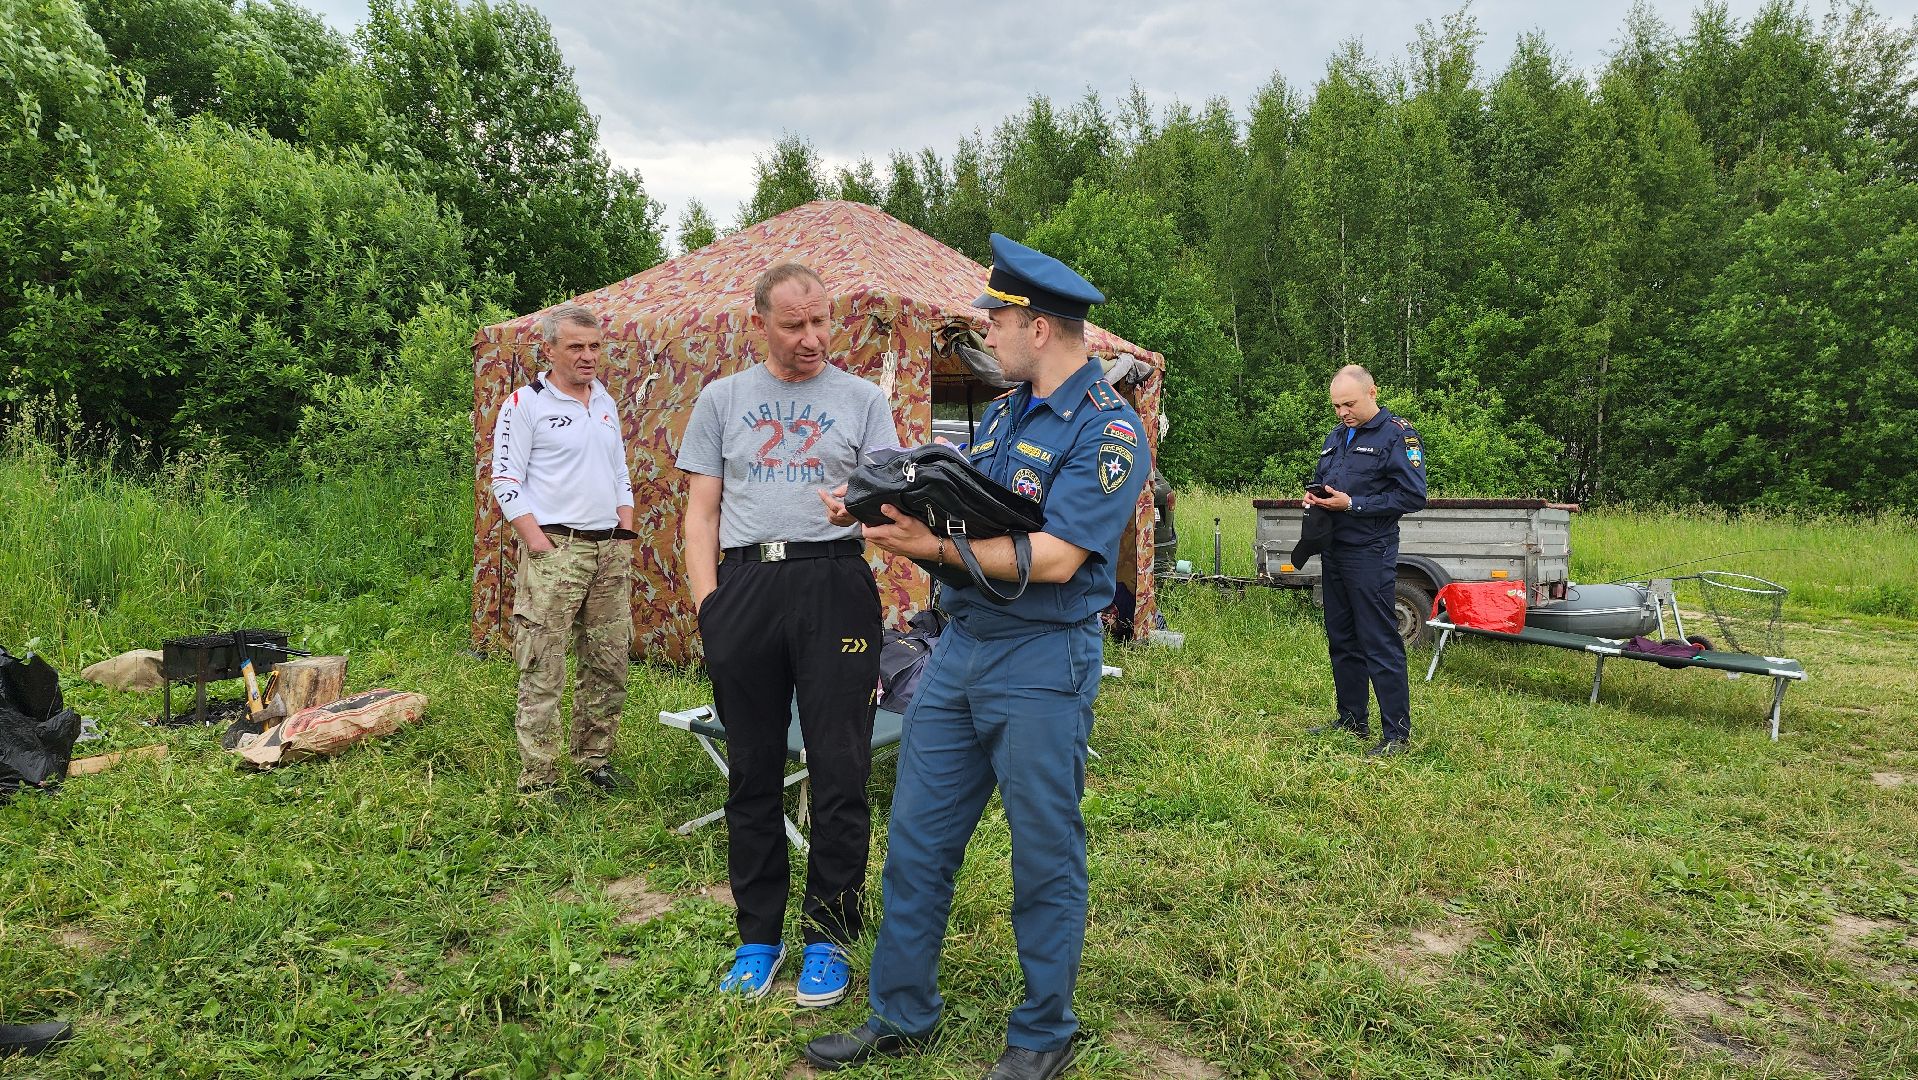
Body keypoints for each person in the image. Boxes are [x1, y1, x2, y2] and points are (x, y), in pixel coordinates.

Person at [805, 235, 1150, 1080]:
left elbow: (1060, 557)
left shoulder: (1108, 432)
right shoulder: (1001, 416)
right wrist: (889, 521)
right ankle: (901, 1010)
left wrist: (934, 544)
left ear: (1036, 326)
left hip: (1041, 659)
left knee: (1042, 852)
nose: (984, 332)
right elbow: (968, 528)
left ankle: (1043, 1033)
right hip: (959, 651)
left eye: (994, 318)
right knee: (919, 840)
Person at [677, 263, 898, 1008]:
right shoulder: (723, 400)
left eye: (821, 322)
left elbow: (890, 512)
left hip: (834, 585)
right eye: (794, 325)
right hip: (745, 589)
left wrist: (858, 515)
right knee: (752, 768)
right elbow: (700, 514)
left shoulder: (865, 401)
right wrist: (711, 608)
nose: (812, 338)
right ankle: (757, 938)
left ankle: (829, 938)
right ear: (759, 325)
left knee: (839, 767)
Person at [489, 303, 636, 799]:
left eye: (595, 346)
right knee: (543, 664)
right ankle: (539, 779)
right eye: (576, 346)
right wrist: (538, 542)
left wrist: (624, 528)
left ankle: (594, 762)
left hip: (607, 551)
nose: (588, 356)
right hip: (558, 548)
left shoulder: (605, 402)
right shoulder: (525, 404)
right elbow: (505, 481)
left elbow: (620, 474)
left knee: (608, 661)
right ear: (549, 349)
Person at [1302, 364, 1427, 757]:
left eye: (1349, 404)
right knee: (1341, 637)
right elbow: (1332, 481)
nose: (1342, 413)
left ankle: (1396, 735)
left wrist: (1352, 504)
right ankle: (1352, 718)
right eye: (1337, 406)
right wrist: (1317, 498)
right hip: (1334, 550)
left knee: (1379, 639)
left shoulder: (1398, 436)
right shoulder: (1336, 437)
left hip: (1370, 552)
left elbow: (1413, 496)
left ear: (1372, 392)